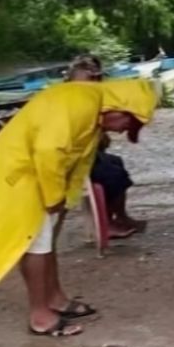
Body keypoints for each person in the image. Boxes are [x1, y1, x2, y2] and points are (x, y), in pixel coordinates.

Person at [0, 79, 157, 337]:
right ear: (119, 110)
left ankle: (55, 299)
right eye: (128, 124)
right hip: (24, 178)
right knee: (36, 245)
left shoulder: (90, 103)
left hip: (38, 179)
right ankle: (40, 315)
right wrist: (53, 198)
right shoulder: (80, 103)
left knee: (46, 243)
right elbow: (48, 151)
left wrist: (64, 197)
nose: (122, 131)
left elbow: (74, 158)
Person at [65, 55, 145, 238]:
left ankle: (121, 216)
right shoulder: (68, 98)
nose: (94, 82)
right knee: (112, 174)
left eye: (96, 78)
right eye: (90, 78)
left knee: (116, 162)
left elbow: (102, 141)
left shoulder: (93, 98)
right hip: (71, 156)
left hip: (87, 152)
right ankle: (105, 224)